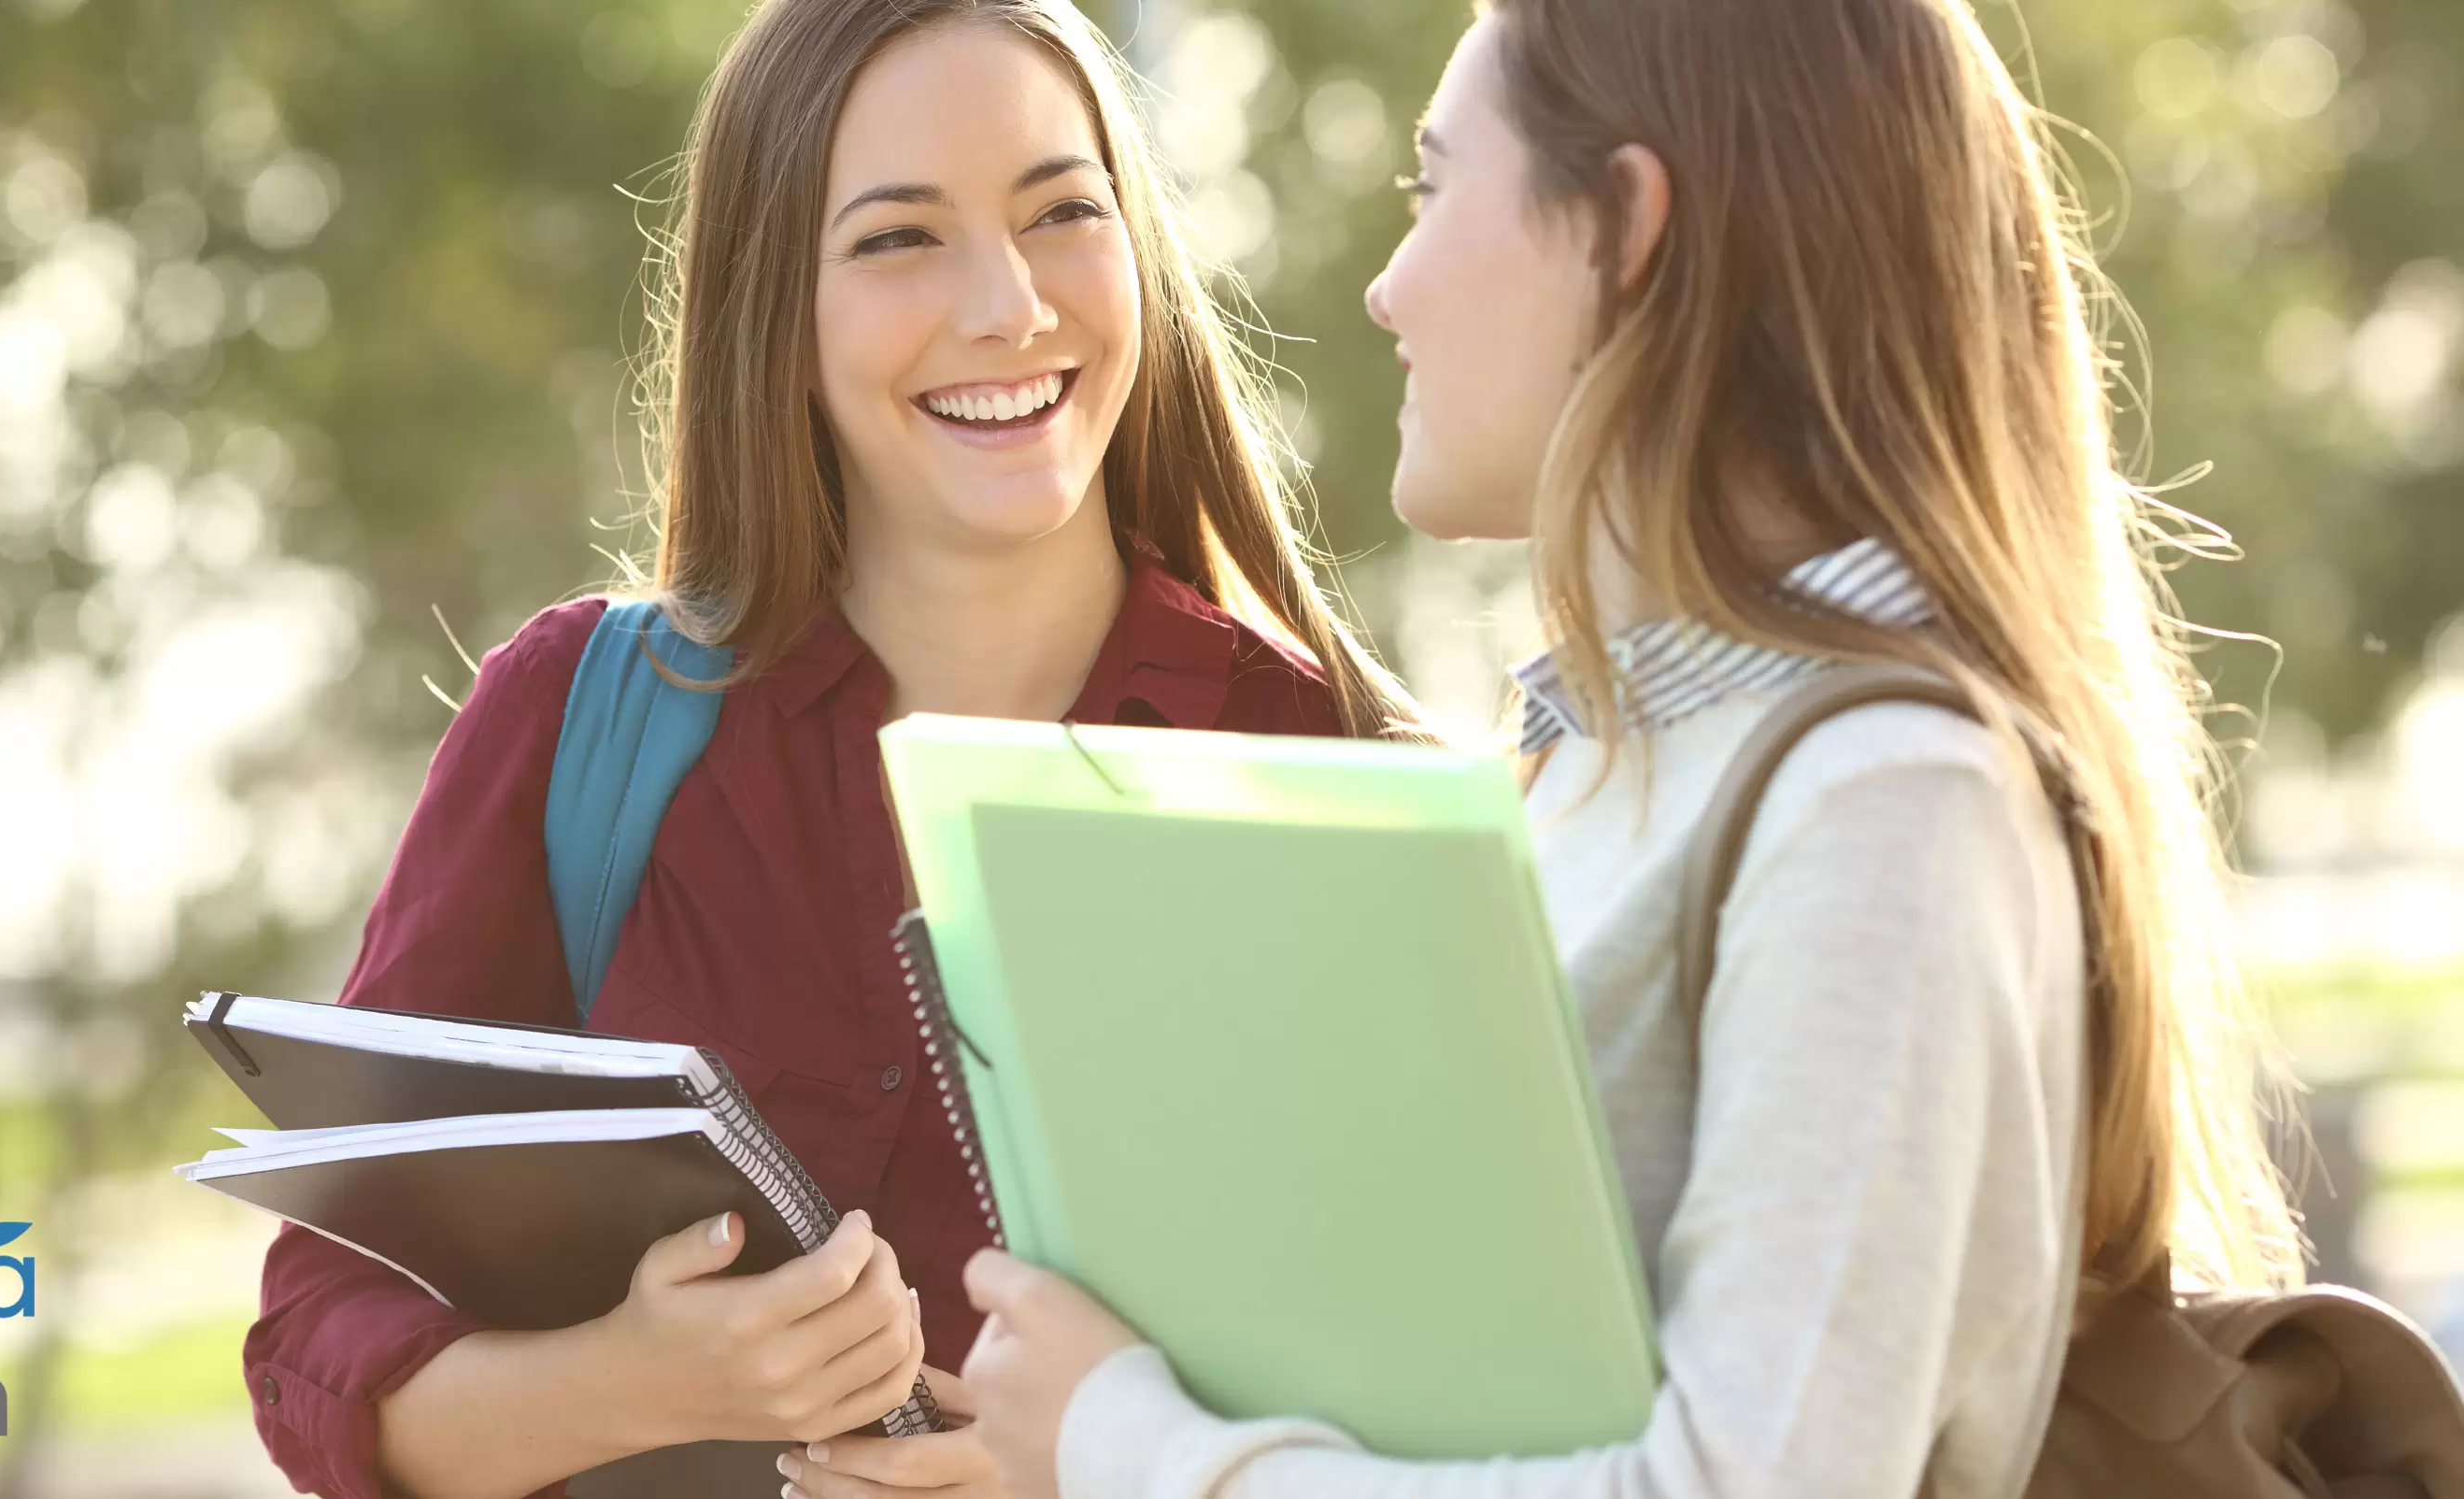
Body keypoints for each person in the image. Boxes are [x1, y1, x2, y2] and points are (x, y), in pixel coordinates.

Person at [935, 0, 2306, 1495]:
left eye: (1431, 185)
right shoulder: (1609, 763)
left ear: (1625, 226)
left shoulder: (1887, 799)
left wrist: (1131, 1449)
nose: (1387, 288)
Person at [238, 1, 1416, 1496]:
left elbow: (1458, 1403)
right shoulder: (574, 724)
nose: (1007, 307)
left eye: (1062, 212)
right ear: (772, 312)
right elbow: (317, 1346)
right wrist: (628, 1386)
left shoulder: (1328, 768)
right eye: (897, 239)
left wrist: (1107, 1467)